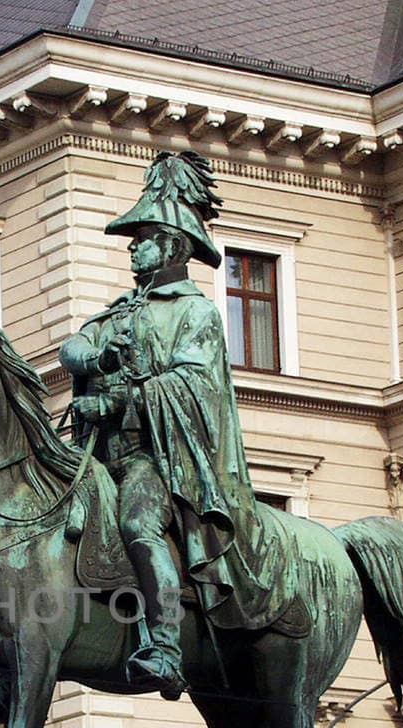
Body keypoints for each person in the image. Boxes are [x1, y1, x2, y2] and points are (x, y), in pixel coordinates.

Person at [60, 152, 302, 699]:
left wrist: (118, 402)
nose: (132, 245)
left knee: (138, 522)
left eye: (143, 236)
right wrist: (91, 361)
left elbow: (195, 387)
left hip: (158, 458)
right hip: (99, 454)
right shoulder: (121, 311)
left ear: (170, 244)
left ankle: (165, 644)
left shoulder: (195, 314)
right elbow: (74, 345)